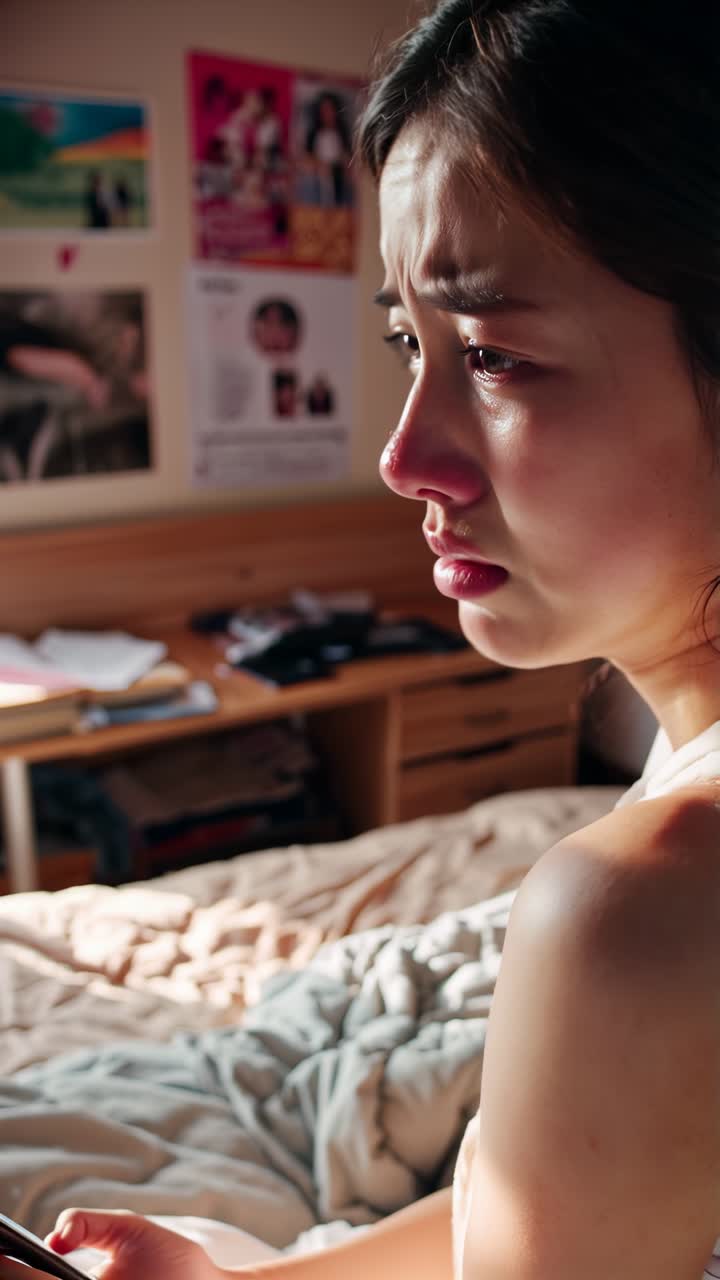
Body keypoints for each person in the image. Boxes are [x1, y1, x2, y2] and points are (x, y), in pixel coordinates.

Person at [7, 0, 720, 1275]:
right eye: (408, 340)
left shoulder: (636, 907)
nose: (400, 457)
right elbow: (561, 1186)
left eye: (494, 354)